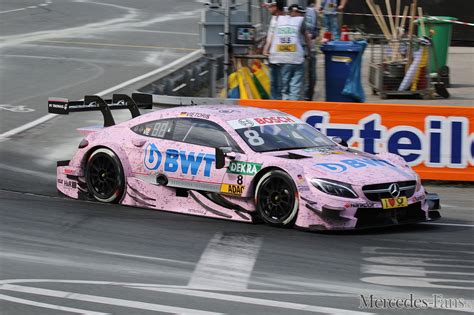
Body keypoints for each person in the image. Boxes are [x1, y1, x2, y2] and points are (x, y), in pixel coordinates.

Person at [266, 4, 311, 100]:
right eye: (301, 13)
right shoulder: (300, 20)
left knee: (282, 88)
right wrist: (309, 52)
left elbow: (272, 37)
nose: (302, 15)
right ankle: (292, 108)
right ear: (295, 12)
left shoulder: (278, 20)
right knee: (295, 87)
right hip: (296, 58)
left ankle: (282, 108)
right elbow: (307, 37)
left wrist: (267, 49)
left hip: (279, 58)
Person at [263, 0, 286, 100]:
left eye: (271, 6)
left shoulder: (282, 19)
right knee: (273, 84)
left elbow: (274, 36)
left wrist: (266, 48)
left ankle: (280, 105)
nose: (269, 8)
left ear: (276, 7)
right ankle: (274, 103)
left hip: (279, 56)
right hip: (273, 55)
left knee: (280, 85)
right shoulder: (274, 18)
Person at [303, 0, 320, 100]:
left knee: (311, 77)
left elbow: (316, 30)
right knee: (308, 77)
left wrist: (311, 35)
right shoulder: (292, 11)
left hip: (310, 49)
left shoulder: (312, 12)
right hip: (304, 50)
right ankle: (307, 100)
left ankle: (308, 99)